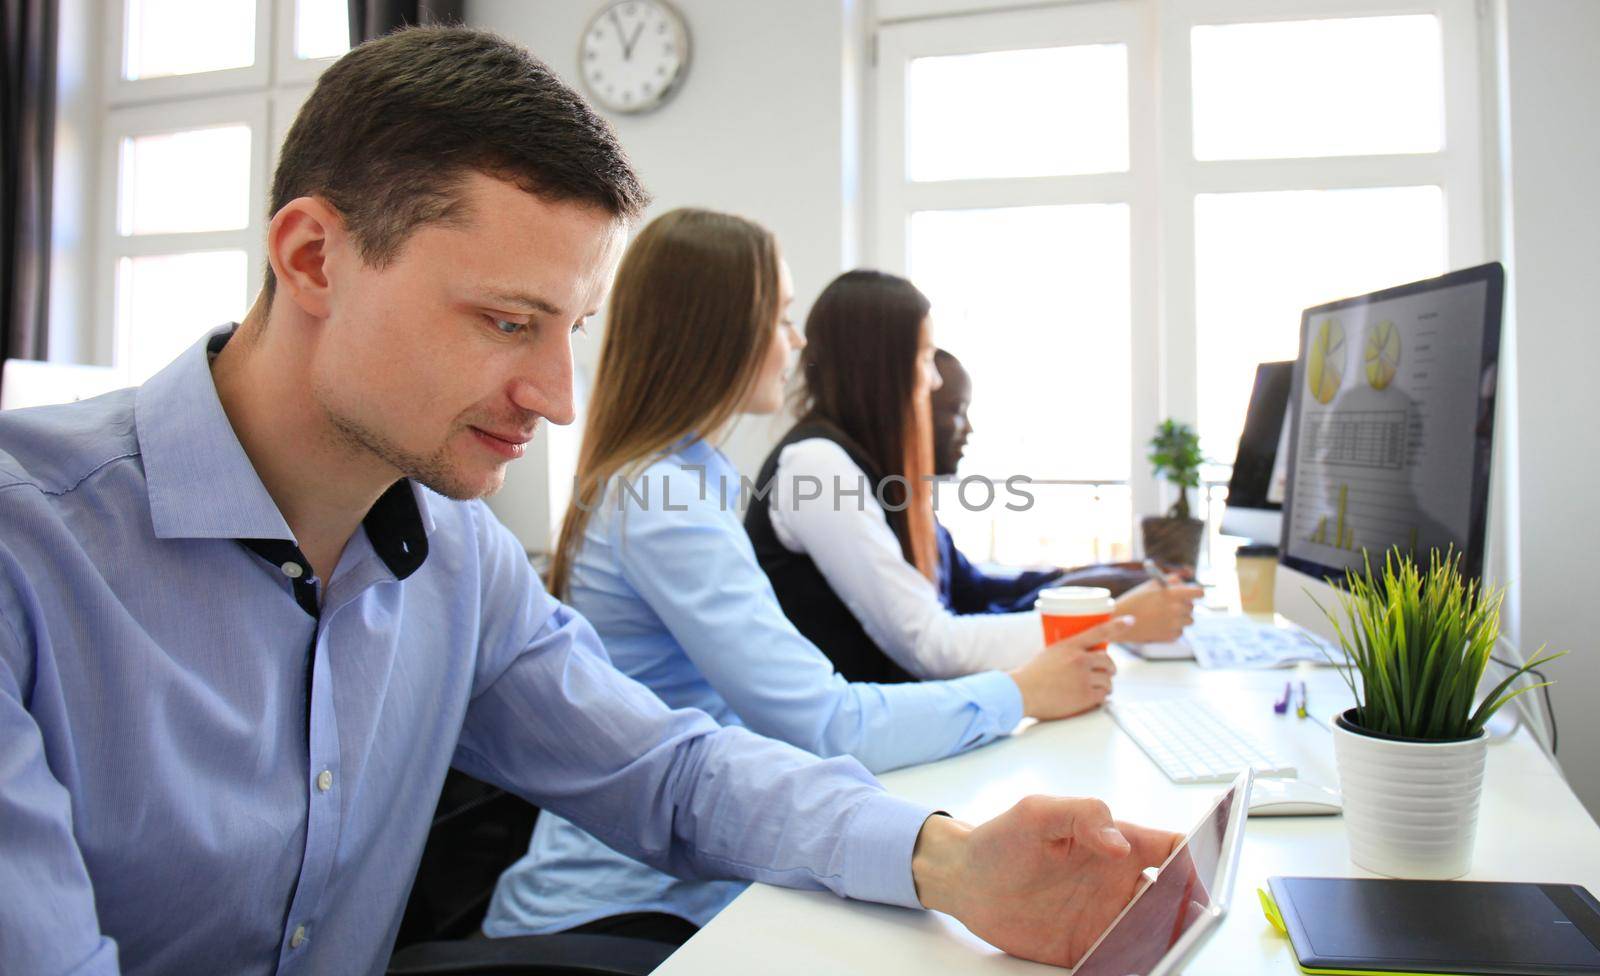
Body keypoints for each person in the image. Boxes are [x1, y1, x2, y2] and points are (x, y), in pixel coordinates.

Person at [0, 27, 1180, 976]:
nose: (558, 399)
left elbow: (666, 769)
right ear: (313, 258)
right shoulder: (26, 549)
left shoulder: (455, 555)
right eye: (508, 322)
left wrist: (948, 860)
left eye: (572, 330)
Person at [484, 208, 1130, 943]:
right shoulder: (663, 503)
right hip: (623, 911)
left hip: (697, 874)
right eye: (782, 318)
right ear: (721, 333)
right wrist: (1019, 691)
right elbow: (823, 722)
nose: (795, 346)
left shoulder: (693, 481)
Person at [746, 271, 1201, 685]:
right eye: (924, 359)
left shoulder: (864, 469)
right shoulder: (817, 467)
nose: (936, 382)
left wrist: (1095, 586)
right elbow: (931, 645)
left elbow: (961, 599)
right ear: (881, 369)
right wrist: (1119, 617)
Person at [929, 348, 1197, 613]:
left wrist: (1097, 572)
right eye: (957, 410)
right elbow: (961, 633)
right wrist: (1080, 592)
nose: (969, 429)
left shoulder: (925, 517)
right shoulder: (897, 520)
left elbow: (977, 590)